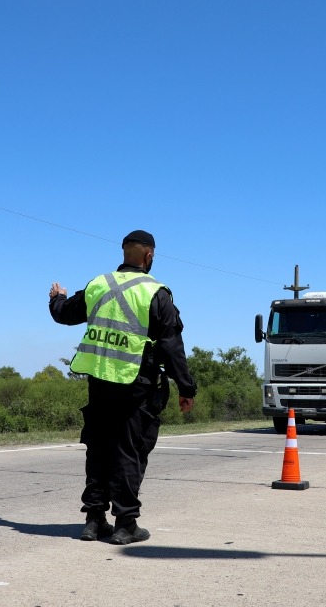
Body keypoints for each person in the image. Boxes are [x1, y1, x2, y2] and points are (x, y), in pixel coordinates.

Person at [48, 229, 197, 545]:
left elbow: (64, 314)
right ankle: (126, 523)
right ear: (149, 256)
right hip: (135, 386)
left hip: (99, 383)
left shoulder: (98, 285)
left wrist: (56, 298)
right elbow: (171, 345)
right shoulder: (156, 293)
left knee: (99, 448)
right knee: (130, 450)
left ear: (124, 252)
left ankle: (93, 520)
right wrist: (187, 388)